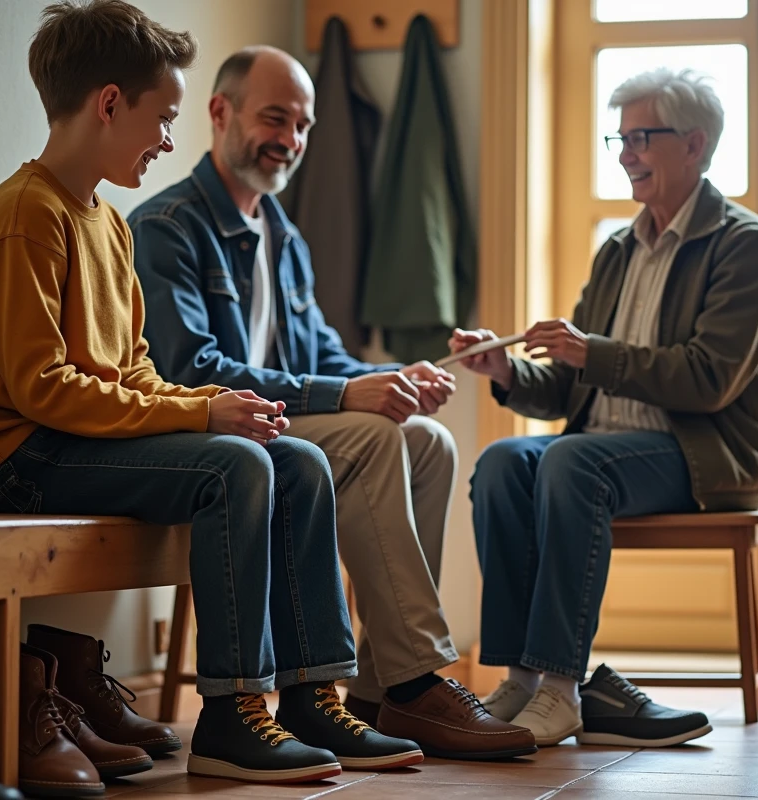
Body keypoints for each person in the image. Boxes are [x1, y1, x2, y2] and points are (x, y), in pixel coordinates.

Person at [0, 0, 424, 783]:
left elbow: (131, 371)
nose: (170, 138)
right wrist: (202, 410)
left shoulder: (108, 222)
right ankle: (233, 715)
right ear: (108, 104)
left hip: (79, 441)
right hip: (22, 455)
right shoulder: (28, 215)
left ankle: (311, 695)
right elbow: (40, 390)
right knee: (236, 468)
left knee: (294, 459)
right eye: (163, 118)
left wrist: (211, 408)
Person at [127, 46, 536, 761]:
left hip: (280, 421)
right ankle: (419, 681)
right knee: (376, 439)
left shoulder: (284, 237)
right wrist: (350, 393)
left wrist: (392, 378)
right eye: (275, 117)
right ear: (220, 113)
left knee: (425, 441)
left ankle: (381, 689)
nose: (291, 139)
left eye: (305, 125)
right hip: (212, 428)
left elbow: (322, 358)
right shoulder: (167, 227)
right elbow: (190, 368)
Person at [451, 66, 758, 747]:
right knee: (500, 463)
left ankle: (561, 685)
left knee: (572, 463)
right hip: (607, 446)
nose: (627, 154)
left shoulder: (744, 245)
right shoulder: (616, 251)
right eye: (620, 138)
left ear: (693, 146)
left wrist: (591, 352)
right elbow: (575, 388)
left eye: (641, 137)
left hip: (710, 451)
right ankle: (520, 673)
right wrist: (508, 371)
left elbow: (710, 379)